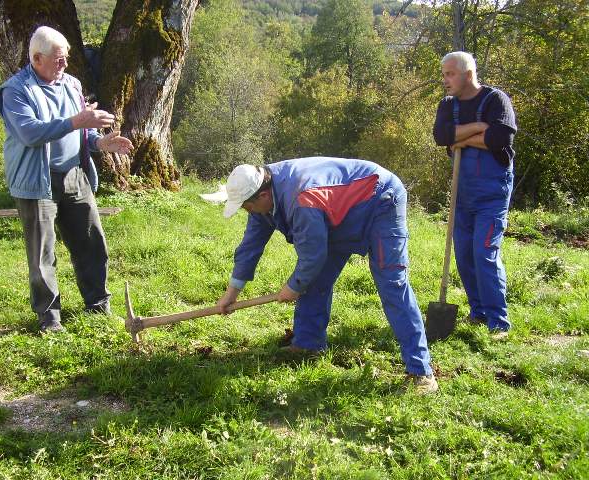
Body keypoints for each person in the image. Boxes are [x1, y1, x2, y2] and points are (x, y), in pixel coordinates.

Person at [215, 157, 438, 393]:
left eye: (246, 206)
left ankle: (421, 372)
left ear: (262, 196)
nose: (246, 211)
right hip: (336, 211)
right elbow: (250, 248)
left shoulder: (302, 200)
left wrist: (294, 286)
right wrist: (232, 293)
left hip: (379, 199)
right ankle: (308, 345)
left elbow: (312, 256)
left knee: (393, 284)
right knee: (315, 280)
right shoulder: (263, 195)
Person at [0, 26, 133, 332]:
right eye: (59, 59)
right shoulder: (15, 91)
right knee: (43, 255)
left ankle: (98, 306)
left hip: (75, 175)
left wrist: (99, 142)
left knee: (92, 243)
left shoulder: (71, 84)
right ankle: (50, 319)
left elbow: (84, 131)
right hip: (36, 182)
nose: (65, 64)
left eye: (66, 57)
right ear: (37, 58)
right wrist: (78, 121)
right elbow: (30, 133)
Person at [433, 51, 517, 336]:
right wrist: (479, 130)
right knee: (465, 255)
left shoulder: (496, 100)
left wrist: (462, 138)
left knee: (484, 252)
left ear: (468, 74)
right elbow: (441, 137)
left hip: (492, 192)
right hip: (462, 192)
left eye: (450, 74)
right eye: (444, 74)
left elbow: (500, 138)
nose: (445, 80)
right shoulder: (447, 105)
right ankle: (478, 312)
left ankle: (498, 321)